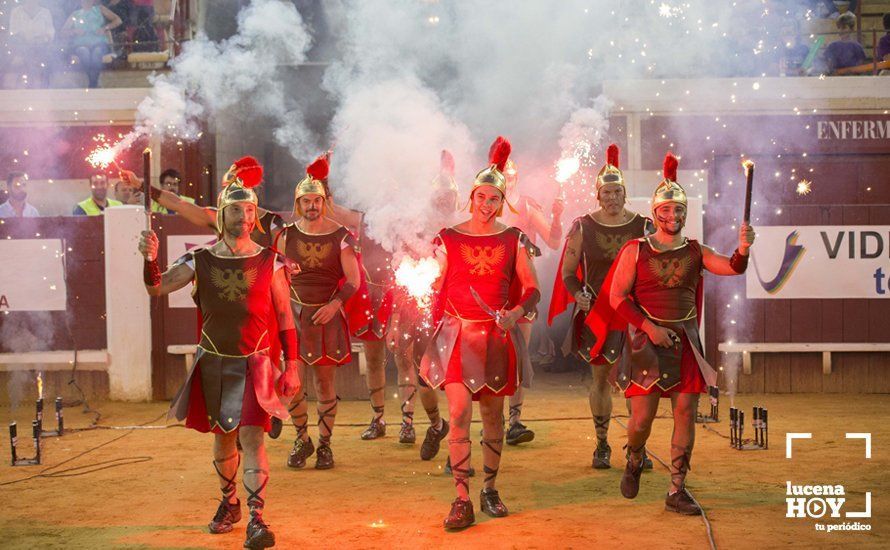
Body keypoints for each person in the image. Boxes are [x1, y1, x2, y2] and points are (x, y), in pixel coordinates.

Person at [138, 158, 300, 549]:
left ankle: (257, 518)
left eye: (249, 210)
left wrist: (292, 365)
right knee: (224, 438)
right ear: (221, 214)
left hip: (257, 363)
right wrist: (149, 259)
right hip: (214, 361)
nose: (244, 216)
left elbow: (284, 317)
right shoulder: (199, 259)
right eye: (236, 210)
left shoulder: (271, 262)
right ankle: (230, 503)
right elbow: (156, 288)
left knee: (251, 436)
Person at [588, 153, 754, 515]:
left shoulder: (697, 250)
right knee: (641, 421)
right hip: (646, 344)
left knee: (684, 413)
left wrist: (743, 248)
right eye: (666, 210)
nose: (672, 216)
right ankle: (634, 458)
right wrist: (650, 328)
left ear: (684, 213)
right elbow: (616, 297)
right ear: (654, 213)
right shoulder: (636, 250)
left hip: (686, 344)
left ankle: (676, 488)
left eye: (678, 210)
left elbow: (733, 268)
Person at [420, 136, 540, 529]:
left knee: (492, 417)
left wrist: (517, 312)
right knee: (458, 412)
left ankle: (489, 487)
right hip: (456, 335)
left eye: (494, 200)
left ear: (502, 203)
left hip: (495, 337)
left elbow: (533, 288)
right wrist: (423, 279)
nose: (487, 206)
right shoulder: (449, 237)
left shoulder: (513, 239)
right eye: (481, 197)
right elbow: (436, 283)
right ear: (470, 197)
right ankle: (460, 497)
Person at [548, 144, 654, 470]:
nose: (612, 198)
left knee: (641, 384)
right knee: (601, 381)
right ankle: (603, 444)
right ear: (598, 195)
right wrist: (578, 293)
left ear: (625, 194)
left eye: (617, 191)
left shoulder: (644, 226)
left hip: (634, 313)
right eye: (606, 192)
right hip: (600, 315)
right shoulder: (583, 227)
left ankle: (638, 447)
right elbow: (567, 273)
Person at [279, 154, 363, 470]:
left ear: (324, 202)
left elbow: (353, 280)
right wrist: (286, 270)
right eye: (306, 201)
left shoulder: (341, 235)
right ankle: (302, 440)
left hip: (326, 316)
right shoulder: (286, 234)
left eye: (317, 200)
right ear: (298, 203)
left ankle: (325, 445)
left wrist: (334, 305)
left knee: (325, 385)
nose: (312, 206)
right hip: (295, 317)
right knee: (291, 384)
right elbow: (275, 273)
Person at [499, 157, 562, 445]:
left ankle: (514, 421)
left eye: (511, 174)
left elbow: (552, 240)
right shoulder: (484, 203)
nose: (507, 178)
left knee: (519, 353)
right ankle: (493, 420)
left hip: (522, 286)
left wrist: (558, 216)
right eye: (502, 174)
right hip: (490, 287)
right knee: (493, 356)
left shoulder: (526, 205)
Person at [61, 0, 122, 87]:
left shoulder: (100, 9)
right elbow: (63, 32)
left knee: (97, 53)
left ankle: (92, 83)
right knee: (84, 52)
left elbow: (118, 20)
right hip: (81, 44)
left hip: (99, 42)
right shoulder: (76, 14)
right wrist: (74, 31)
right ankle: (93, 82)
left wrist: (105, 28)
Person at [8, 0, 56, 88]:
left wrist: (43, 38)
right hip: (22, 47)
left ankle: (43, 86)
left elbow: (50, 32)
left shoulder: (46, 12)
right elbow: (13, 31)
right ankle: (30, 85)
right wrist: (25, 39)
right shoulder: (16, 12)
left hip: (41, 46)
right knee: (27, 54)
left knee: (47, 56)